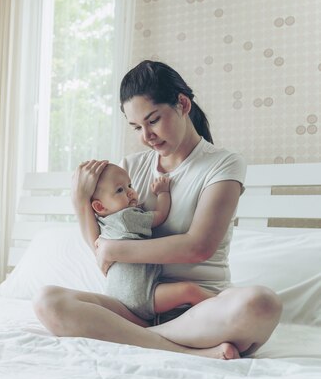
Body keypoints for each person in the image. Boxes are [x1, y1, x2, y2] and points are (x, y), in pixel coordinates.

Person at [33, 60, 282, 360]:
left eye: (153, 120)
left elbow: (197, 247)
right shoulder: (129, 168)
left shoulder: (224, 164)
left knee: (262, 303)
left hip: (200, 310)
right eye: (137, 127)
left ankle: (129, 337)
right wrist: (79, 203)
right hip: (134, 306)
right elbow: (104, 251)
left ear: (182, 104)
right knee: (47, 300)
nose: (146, 136)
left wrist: (114, 251)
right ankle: (190, 350)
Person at [92, 163, 215, 326]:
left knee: (180, 300)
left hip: (116, 298)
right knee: (189, 291)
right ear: (100, 206)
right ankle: (226, 304)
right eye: (120, 190)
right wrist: (163, 193)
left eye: (130, 185)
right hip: (141, 295)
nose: (130, 191)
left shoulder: (102, 222)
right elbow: (160, 215)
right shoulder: (126, 217)